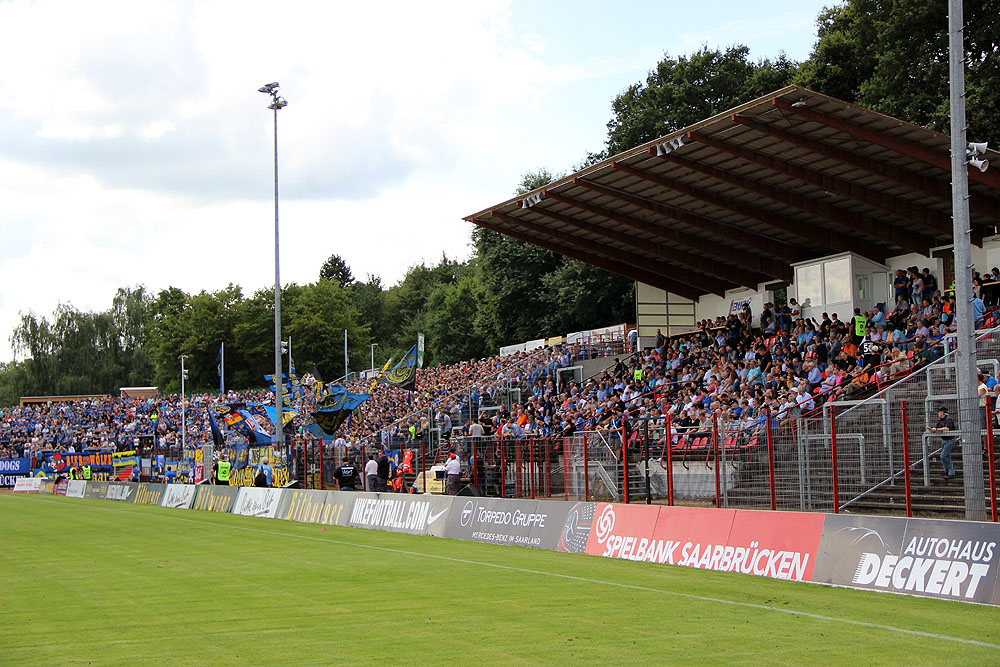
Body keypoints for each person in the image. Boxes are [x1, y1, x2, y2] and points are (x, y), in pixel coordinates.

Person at [929, 407, 957, 482]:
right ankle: (951, 472)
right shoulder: (940, 421)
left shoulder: (949, 419)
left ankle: (947, 470)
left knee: (943, 456)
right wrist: (933, 429)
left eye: (939, 412)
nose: (938, 413)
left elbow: (947, 428)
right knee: (947, 456)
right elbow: (936, 427)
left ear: (942, 413)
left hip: (950, 440)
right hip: (944, 440)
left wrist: (937, 429)